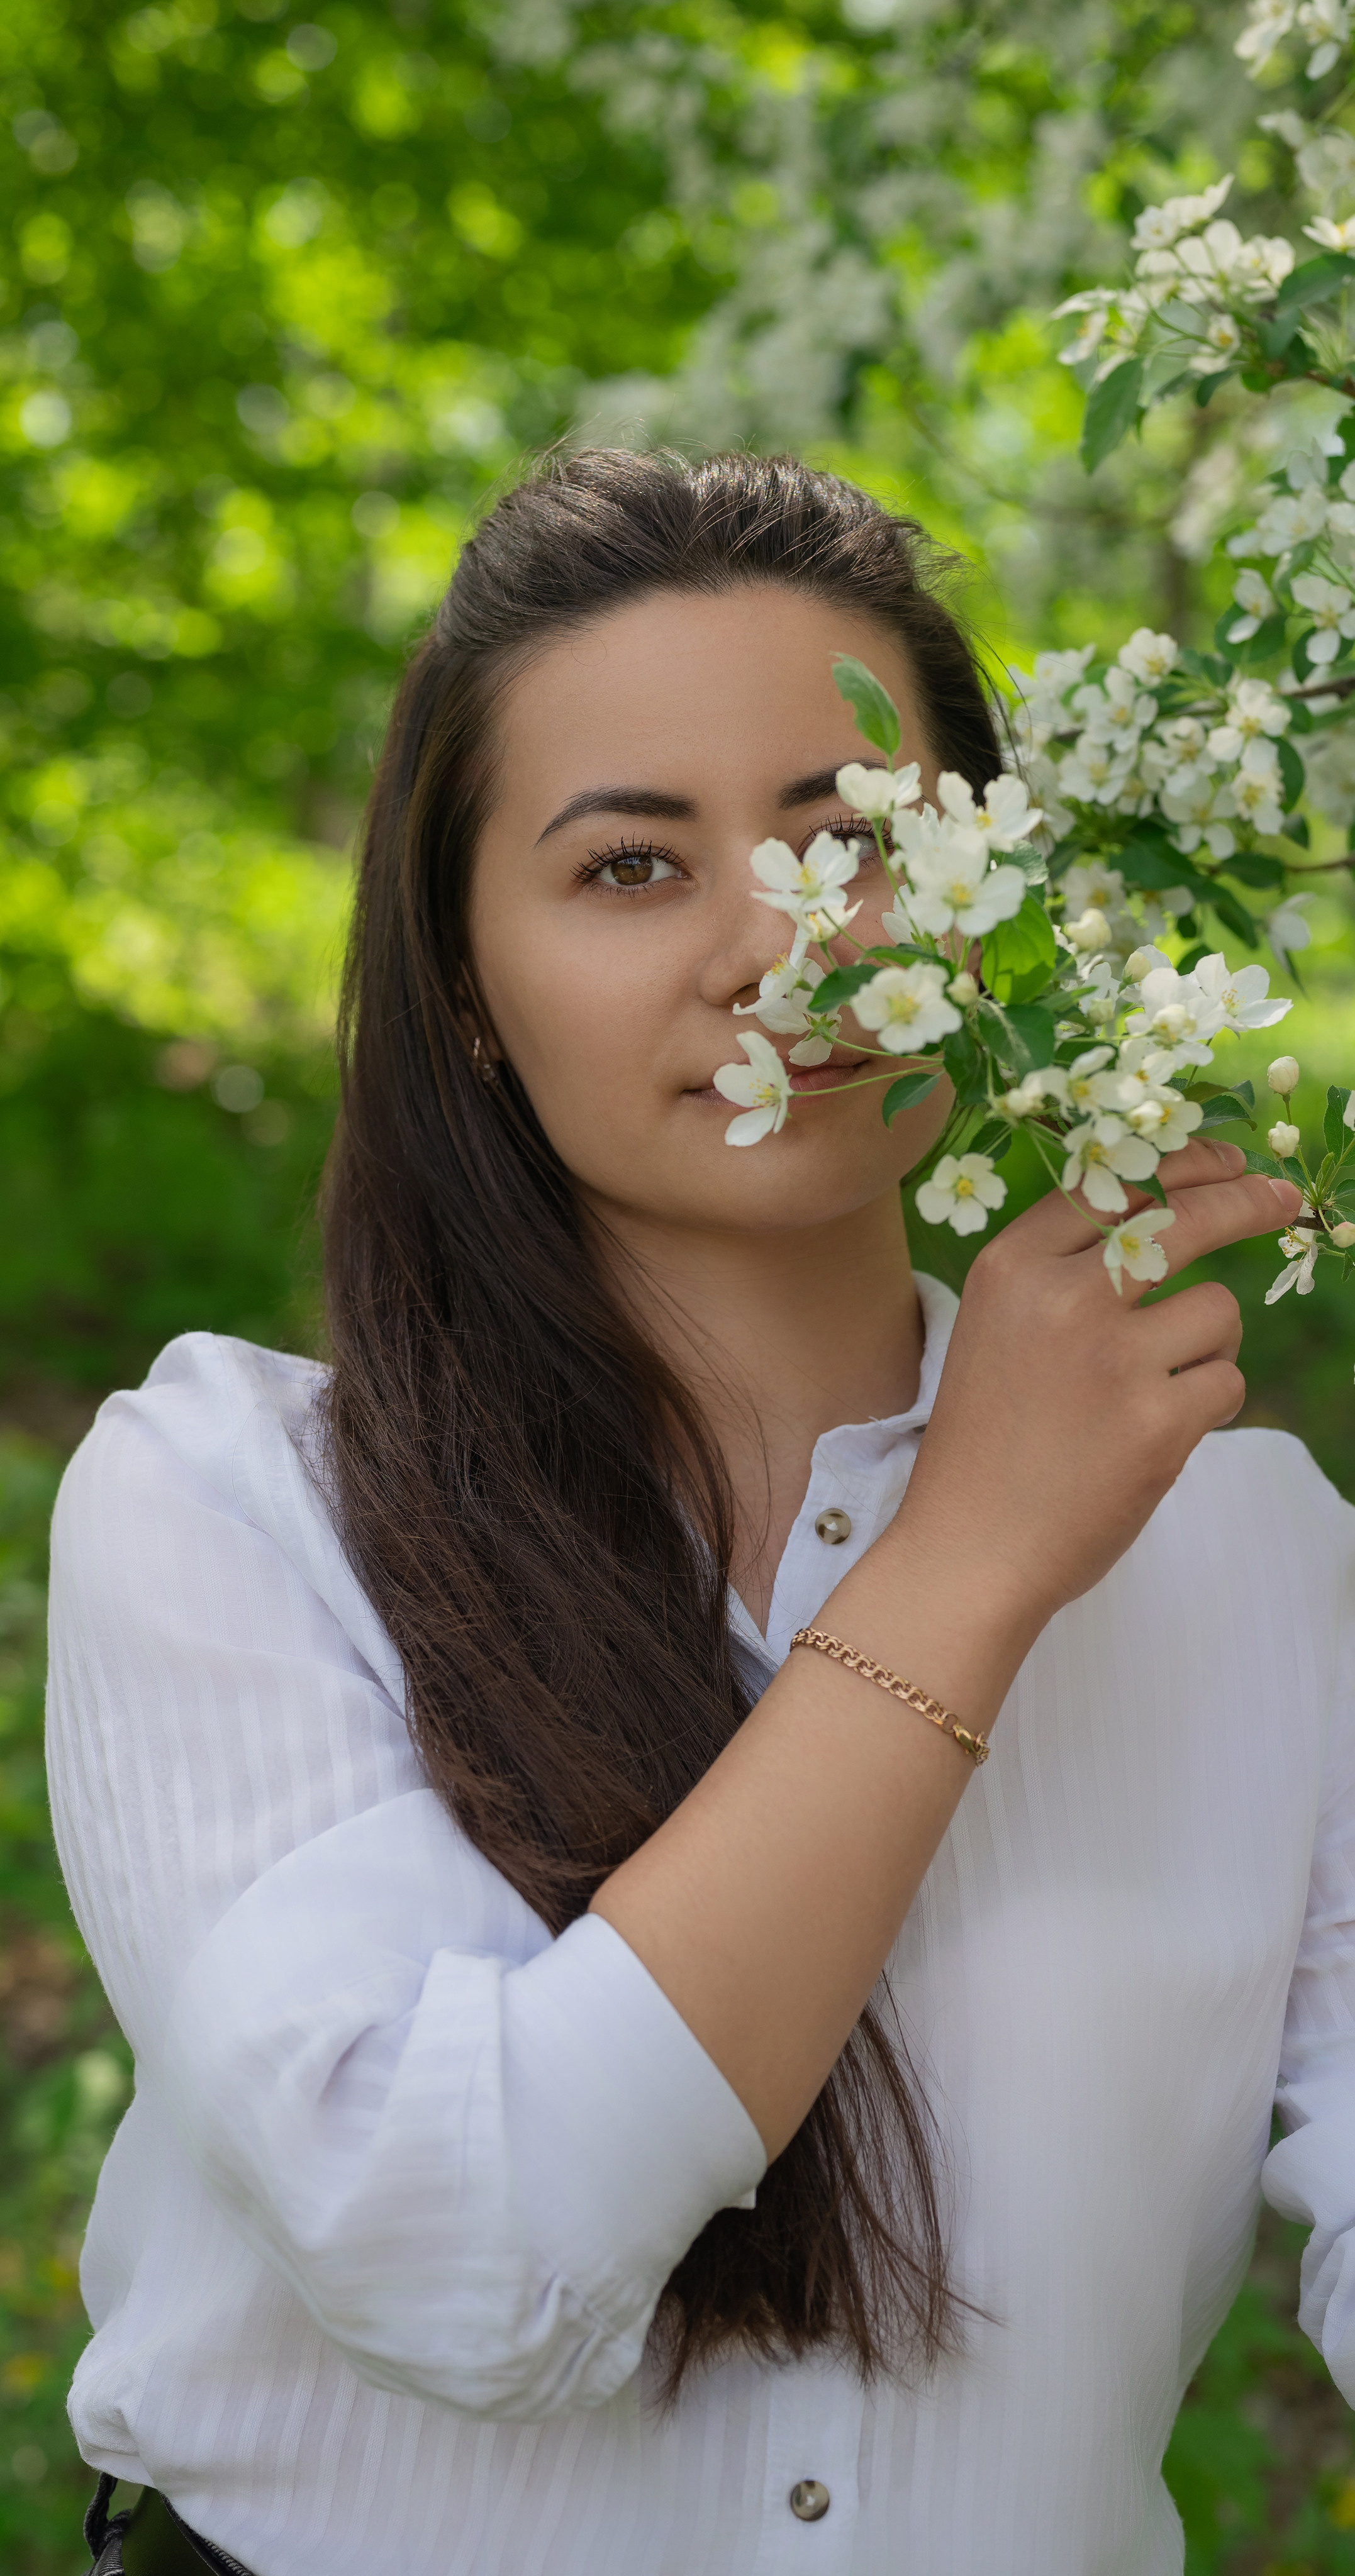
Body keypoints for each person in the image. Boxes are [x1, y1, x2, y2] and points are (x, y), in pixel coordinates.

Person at [49, 449, 1355, 2576]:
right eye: (633, 870)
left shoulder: (1250, 1555)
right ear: (467, 986)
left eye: (853, 841)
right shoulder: (234, 1507)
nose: (787, 947)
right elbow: (457, 2259)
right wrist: (969, 1563)